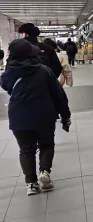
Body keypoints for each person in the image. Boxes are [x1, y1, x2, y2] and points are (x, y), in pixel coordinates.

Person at [1, 39, 71, 195]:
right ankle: (44, 172)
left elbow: (5, 85)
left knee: (26, 150)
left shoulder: (9, 72)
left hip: (19, 116)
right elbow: (59, 95)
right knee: (46, 144)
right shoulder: (43, 70)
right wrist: (66, 115)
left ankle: (31, 183)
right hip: (44, 114)